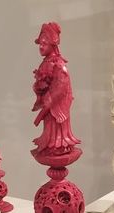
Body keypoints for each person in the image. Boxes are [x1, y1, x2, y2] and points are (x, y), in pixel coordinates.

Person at [32, 22, 81, 155]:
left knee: (57, 128)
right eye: (40, 43)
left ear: (52, 44)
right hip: (48, 108)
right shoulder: (45, 62)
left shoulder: (59, 64)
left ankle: (59, 144)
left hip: (55, 107)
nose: (41, 46)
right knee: (49, 128)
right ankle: (50, 143)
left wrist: (50, 98)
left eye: (44, 43)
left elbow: (62, 87)